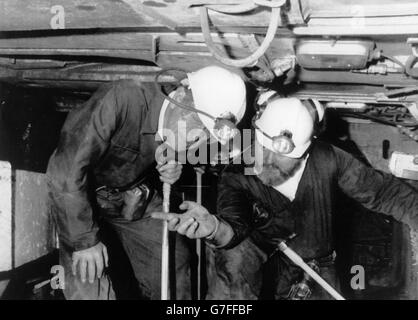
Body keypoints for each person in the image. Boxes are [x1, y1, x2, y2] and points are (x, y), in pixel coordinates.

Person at [152, 97, 418, 300]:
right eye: (263, 149)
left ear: (305, 152)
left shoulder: (328, 159)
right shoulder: (235, 175)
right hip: (265, 261)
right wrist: (212, 228)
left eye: (281, 159)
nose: (267, 162)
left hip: (320, 266)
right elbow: (234, 227)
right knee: (233, 262)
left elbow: (385, 193)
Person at [46, 65, 247, 300]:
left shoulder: (176, 125)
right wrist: (83, 241)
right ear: (181, 96)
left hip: (132, 198)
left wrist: (172, 167)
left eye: (208, 135)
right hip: (78, 198)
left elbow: (167, 149)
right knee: (89, 278)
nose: (199, 139)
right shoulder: (123, 99)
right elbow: (65, 170)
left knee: (173, 261)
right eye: (200, 126)